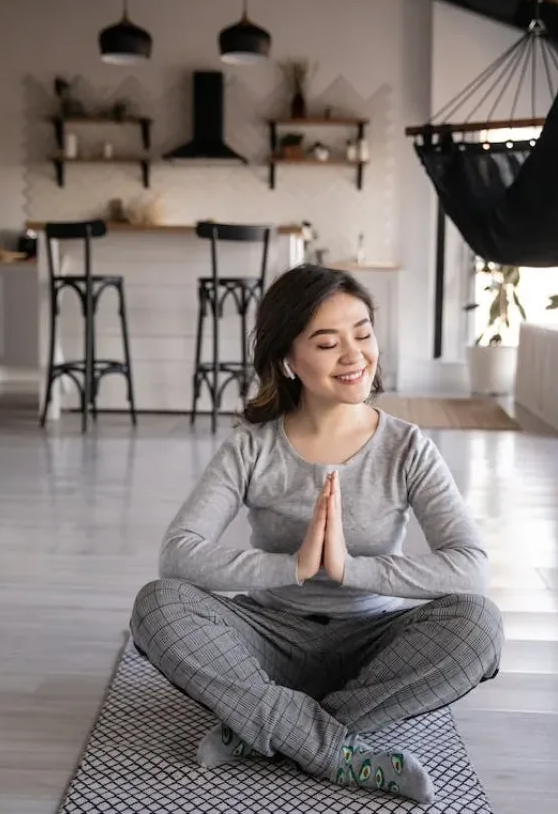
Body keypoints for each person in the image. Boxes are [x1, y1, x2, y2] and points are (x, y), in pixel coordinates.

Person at [131, 264, 504, 804]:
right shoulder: (251, 448)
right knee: (157, 605)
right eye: (328, 343)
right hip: (268, 640)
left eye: (363, 333)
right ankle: (338, 752)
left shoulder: (407, 447)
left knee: (479, 625)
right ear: (288, 360)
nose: (354, 356)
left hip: (374, 647)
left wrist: (349, 569)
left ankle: (265, 727)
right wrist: (293, 567)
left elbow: (471, 567)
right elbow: (178, 555)